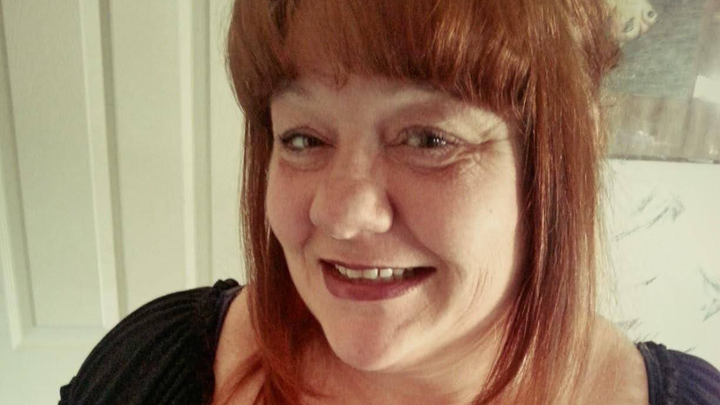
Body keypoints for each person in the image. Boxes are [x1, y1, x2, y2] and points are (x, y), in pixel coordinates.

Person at [59, 0, 720, 404]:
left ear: (551, 168)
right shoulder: (156, 366)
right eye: (303, 138)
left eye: (429, 139)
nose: (342, 214)